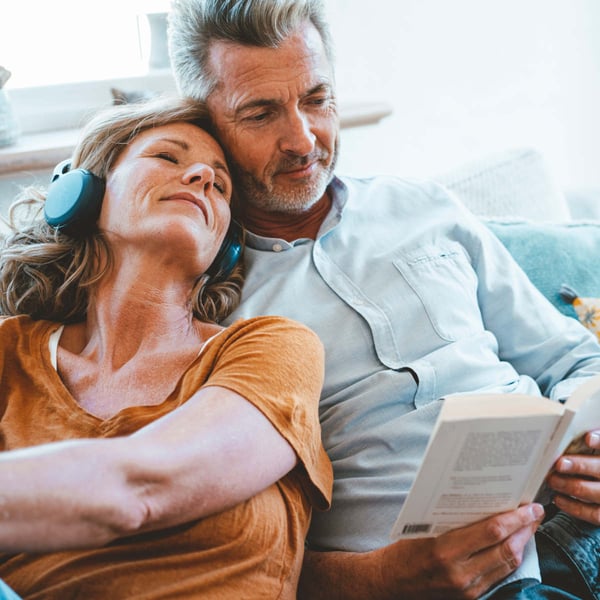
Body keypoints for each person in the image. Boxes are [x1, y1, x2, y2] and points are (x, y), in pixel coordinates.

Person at [167, 1, 600, 599]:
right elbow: (225, 556)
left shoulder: (424, 208)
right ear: (205, 124)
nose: (302, 139)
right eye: (261, 113)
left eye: (316, 99)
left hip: (580, 527)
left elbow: (575, 362)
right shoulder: (196, 303)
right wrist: (377, 581)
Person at [0, 96, 332, 599]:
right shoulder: (10, 353)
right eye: (167, 158)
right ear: (82, 192)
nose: (201, 176)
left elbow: (142, 488)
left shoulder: (272, 347)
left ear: (226, 245)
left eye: (219, 184)